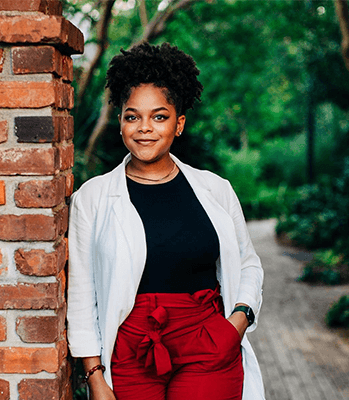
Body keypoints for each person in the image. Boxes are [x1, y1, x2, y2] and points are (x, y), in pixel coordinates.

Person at [67, 42, 265, 400]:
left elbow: (248, 262)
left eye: (159, 116)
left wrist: (237, 322)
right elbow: (82, 294)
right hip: (129, 350)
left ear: (179, 124)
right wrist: (94, 376)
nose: (145, 128)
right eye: (132, 116)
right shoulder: (92, 199)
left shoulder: (215, 190)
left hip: (208, 343)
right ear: (121, 122)